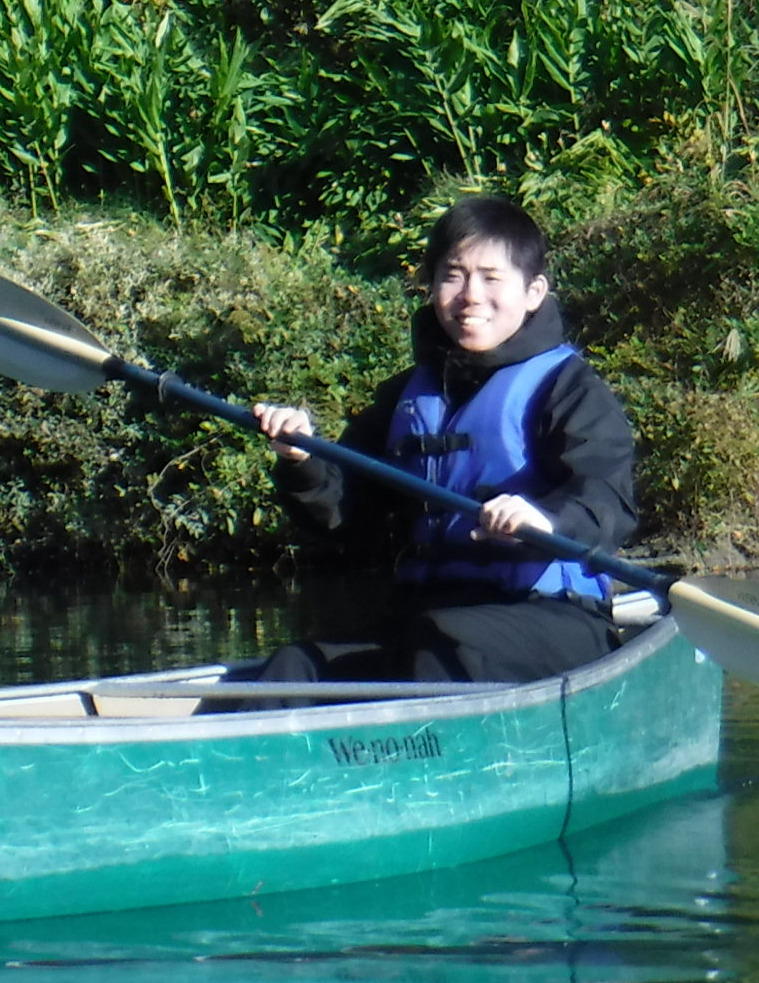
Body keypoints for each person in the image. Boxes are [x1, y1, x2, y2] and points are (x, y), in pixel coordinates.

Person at [247, 194, 637, 686]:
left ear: (533, 292)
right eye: (453, 276)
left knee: (441, 645)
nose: (470, 295)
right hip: (429, 616)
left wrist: (547, 520)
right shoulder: (406, 396)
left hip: (552, 616)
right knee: (292, 668)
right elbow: (344, 514)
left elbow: (606, 496)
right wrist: (302, 459)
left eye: (491, 278)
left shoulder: (569, 388)